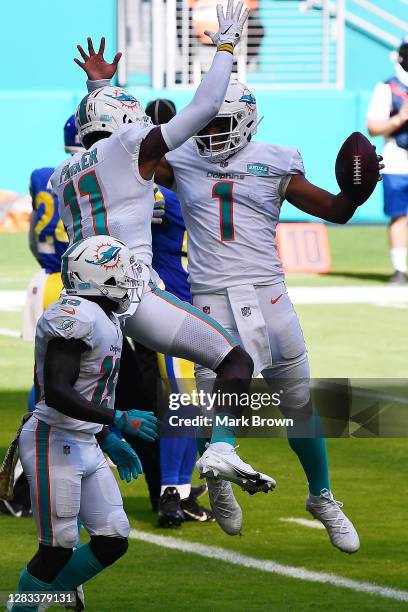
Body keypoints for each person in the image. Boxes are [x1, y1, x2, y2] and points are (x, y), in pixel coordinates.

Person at [50, 2, 275, 529]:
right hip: (133, 294)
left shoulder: (63, 173)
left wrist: (96, 90)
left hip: (81, 302)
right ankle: (218, 453)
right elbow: (199, 110)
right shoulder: (131, 143)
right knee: (235, 362)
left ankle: (62, 535)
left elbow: (97, 142)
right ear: (128, 124)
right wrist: (224, 47)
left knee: (73, 410)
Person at [152, 79, 383, 550]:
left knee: (299, 406)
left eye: (220, 123)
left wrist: (359, 189)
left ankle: (321, 496)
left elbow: (336, 210)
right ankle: (217, 476)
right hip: (212, 297)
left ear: (246, 121)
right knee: (216, 401)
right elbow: (129, 161)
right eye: (206, 122)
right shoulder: (180, 158)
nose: (210, 133)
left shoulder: (276, 159)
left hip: (270, 295)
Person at [10, 235, 159, 612]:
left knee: (113, 538)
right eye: (121, 271)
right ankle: (25, 605)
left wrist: (106, 435)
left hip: (85, 439)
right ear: (99, 275)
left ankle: (48, 594)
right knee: (56, 548)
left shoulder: (104, 315)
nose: (128, 279)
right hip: (53, 438)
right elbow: (58, 391)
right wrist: (119, 419)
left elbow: (90, 387)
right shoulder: (73, 315)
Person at [146, 98, 213, 526]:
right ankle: (172, 490)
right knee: (183, 402)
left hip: (195, 303)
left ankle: (181, 488)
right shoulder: (193, 179)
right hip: (176, 305)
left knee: (194, 403)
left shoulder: (163, 184)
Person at [367, 36, 408, 284]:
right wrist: (400, 118)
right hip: (398, 157)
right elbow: (373, 127)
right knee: (399, 215)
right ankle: (399, 269)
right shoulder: (388, 87)